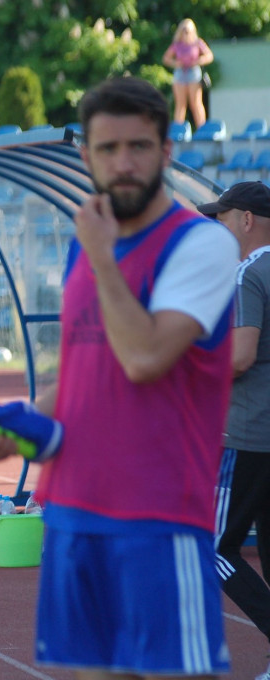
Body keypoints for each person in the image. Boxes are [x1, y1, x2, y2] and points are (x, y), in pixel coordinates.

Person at [0, 77, 238, 678]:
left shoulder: (200, 245)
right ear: (86, 155)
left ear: (167, 150)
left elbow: (144, 357)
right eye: (108, 148)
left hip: (157, 517)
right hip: (70, 512)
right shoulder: (85, 246)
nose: (123, 162)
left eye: (138, 146)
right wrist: (18, 423)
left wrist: (100, 254)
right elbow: (83, 373)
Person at [197, 181, 270, 680]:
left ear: (245, 220)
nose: (216, 228)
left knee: (213, 546)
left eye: (221, 219)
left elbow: (241, 356)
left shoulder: (248, 273)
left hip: (248, 434)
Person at [162, 18, 214, 129]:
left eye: (188, 30)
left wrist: (199, 61)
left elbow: (209, 56)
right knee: (180, 104)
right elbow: (166, 58)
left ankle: (202, 129)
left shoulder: (197, 43)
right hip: (180, 73)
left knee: (196, 103)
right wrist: (176, 63)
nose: (186, 33)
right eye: (184, 30)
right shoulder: (177, 45)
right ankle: (178, 129)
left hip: (193, 72)